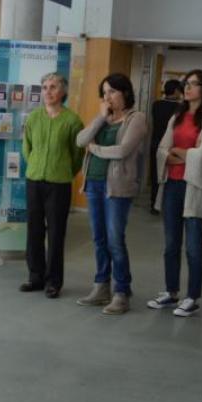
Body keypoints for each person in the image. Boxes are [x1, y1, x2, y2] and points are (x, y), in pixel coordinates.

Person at [149, 69, 202, 317]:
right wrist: (179, 153)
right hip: (172, 185)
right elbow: (161, 149)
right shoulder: (177, 115)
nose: (187, 88)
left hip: (194, 187)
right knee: (171, 244)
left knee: (193, 246)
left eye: (193, 84)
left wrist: (176, 153)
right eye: (186, 83)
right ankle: (171, 292)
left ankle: (192, 296)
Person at [74, 73, 147, 314]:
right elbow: (80, 140)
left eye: (113, 92)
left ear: (125, 92)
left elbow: (122, 150)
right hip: (94, 184)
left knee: (115, 240)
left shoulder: (136, 119)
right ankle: (101, 286)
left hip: (117, 188)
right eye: (104, 93)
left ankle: (122, 291)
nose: (108, 97)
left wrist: (95, 149)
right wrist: (100, 118)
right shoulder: (103, 119)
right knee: (99, 239)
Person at [18, 73, 84, 298]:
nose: (48, 91)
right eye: (44, 87)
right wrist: (35, 166)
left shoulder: (73, 121)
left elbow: (77, 155)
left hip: (59, 184)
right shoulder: (33, 118)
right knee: (34, 231)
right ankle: (35, 276)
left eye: (53, 87)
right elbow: (26, 148)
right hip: (34, 181)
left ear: (63, 91)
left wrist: (63, 170)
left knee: (56, 233)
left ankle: (53, 281)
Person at [149, 79, 183, 214]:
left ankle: (153, 204)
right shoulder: (179, 107)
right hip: (170, 144)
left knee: (155, 173)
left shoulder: (156, 104)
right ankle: (166, 204)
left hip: (155, 142)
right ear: (175, 91)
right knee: (168, 174)